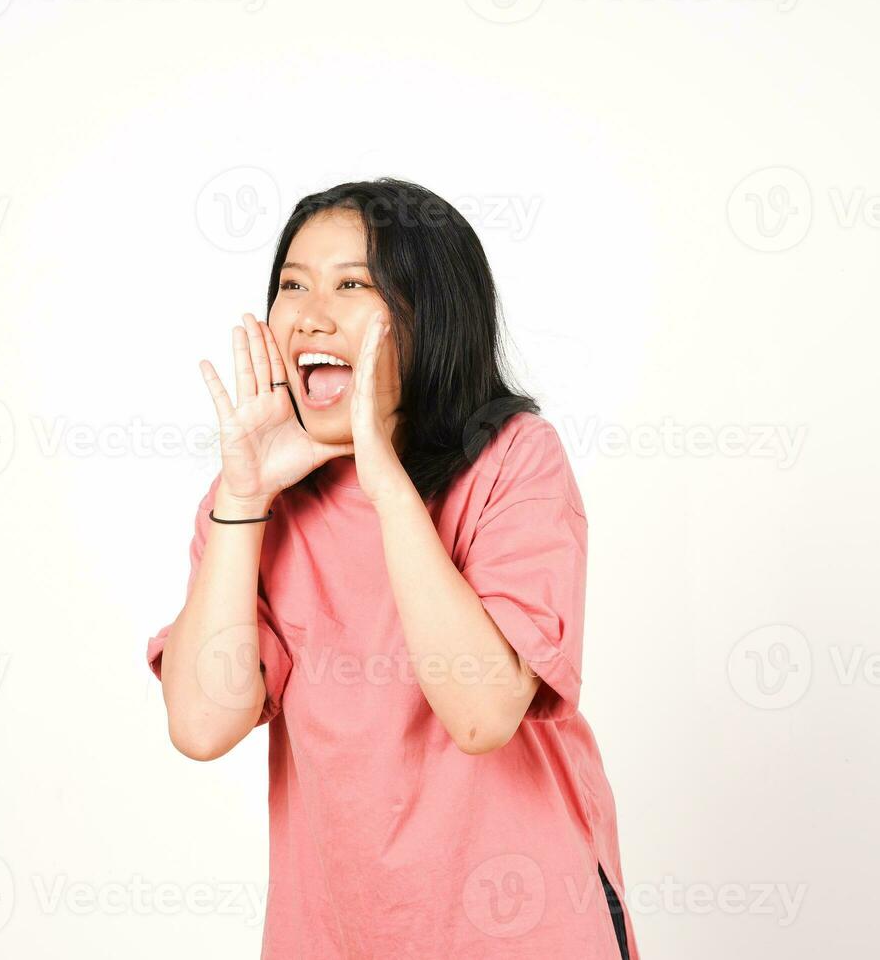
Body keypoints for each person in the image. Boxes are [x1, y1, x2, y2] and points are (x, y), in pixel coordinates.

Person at [147, 179, 638, 959]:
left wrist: (382, 476)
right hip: (334, 937)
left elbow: (481, 715)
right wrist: (242, 496)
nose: (311, 313)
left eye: (351, 285)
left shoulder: (514, 462)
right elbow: (202, 726)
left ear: (429, 314)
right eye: (293, 286)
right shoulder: (256, 497)